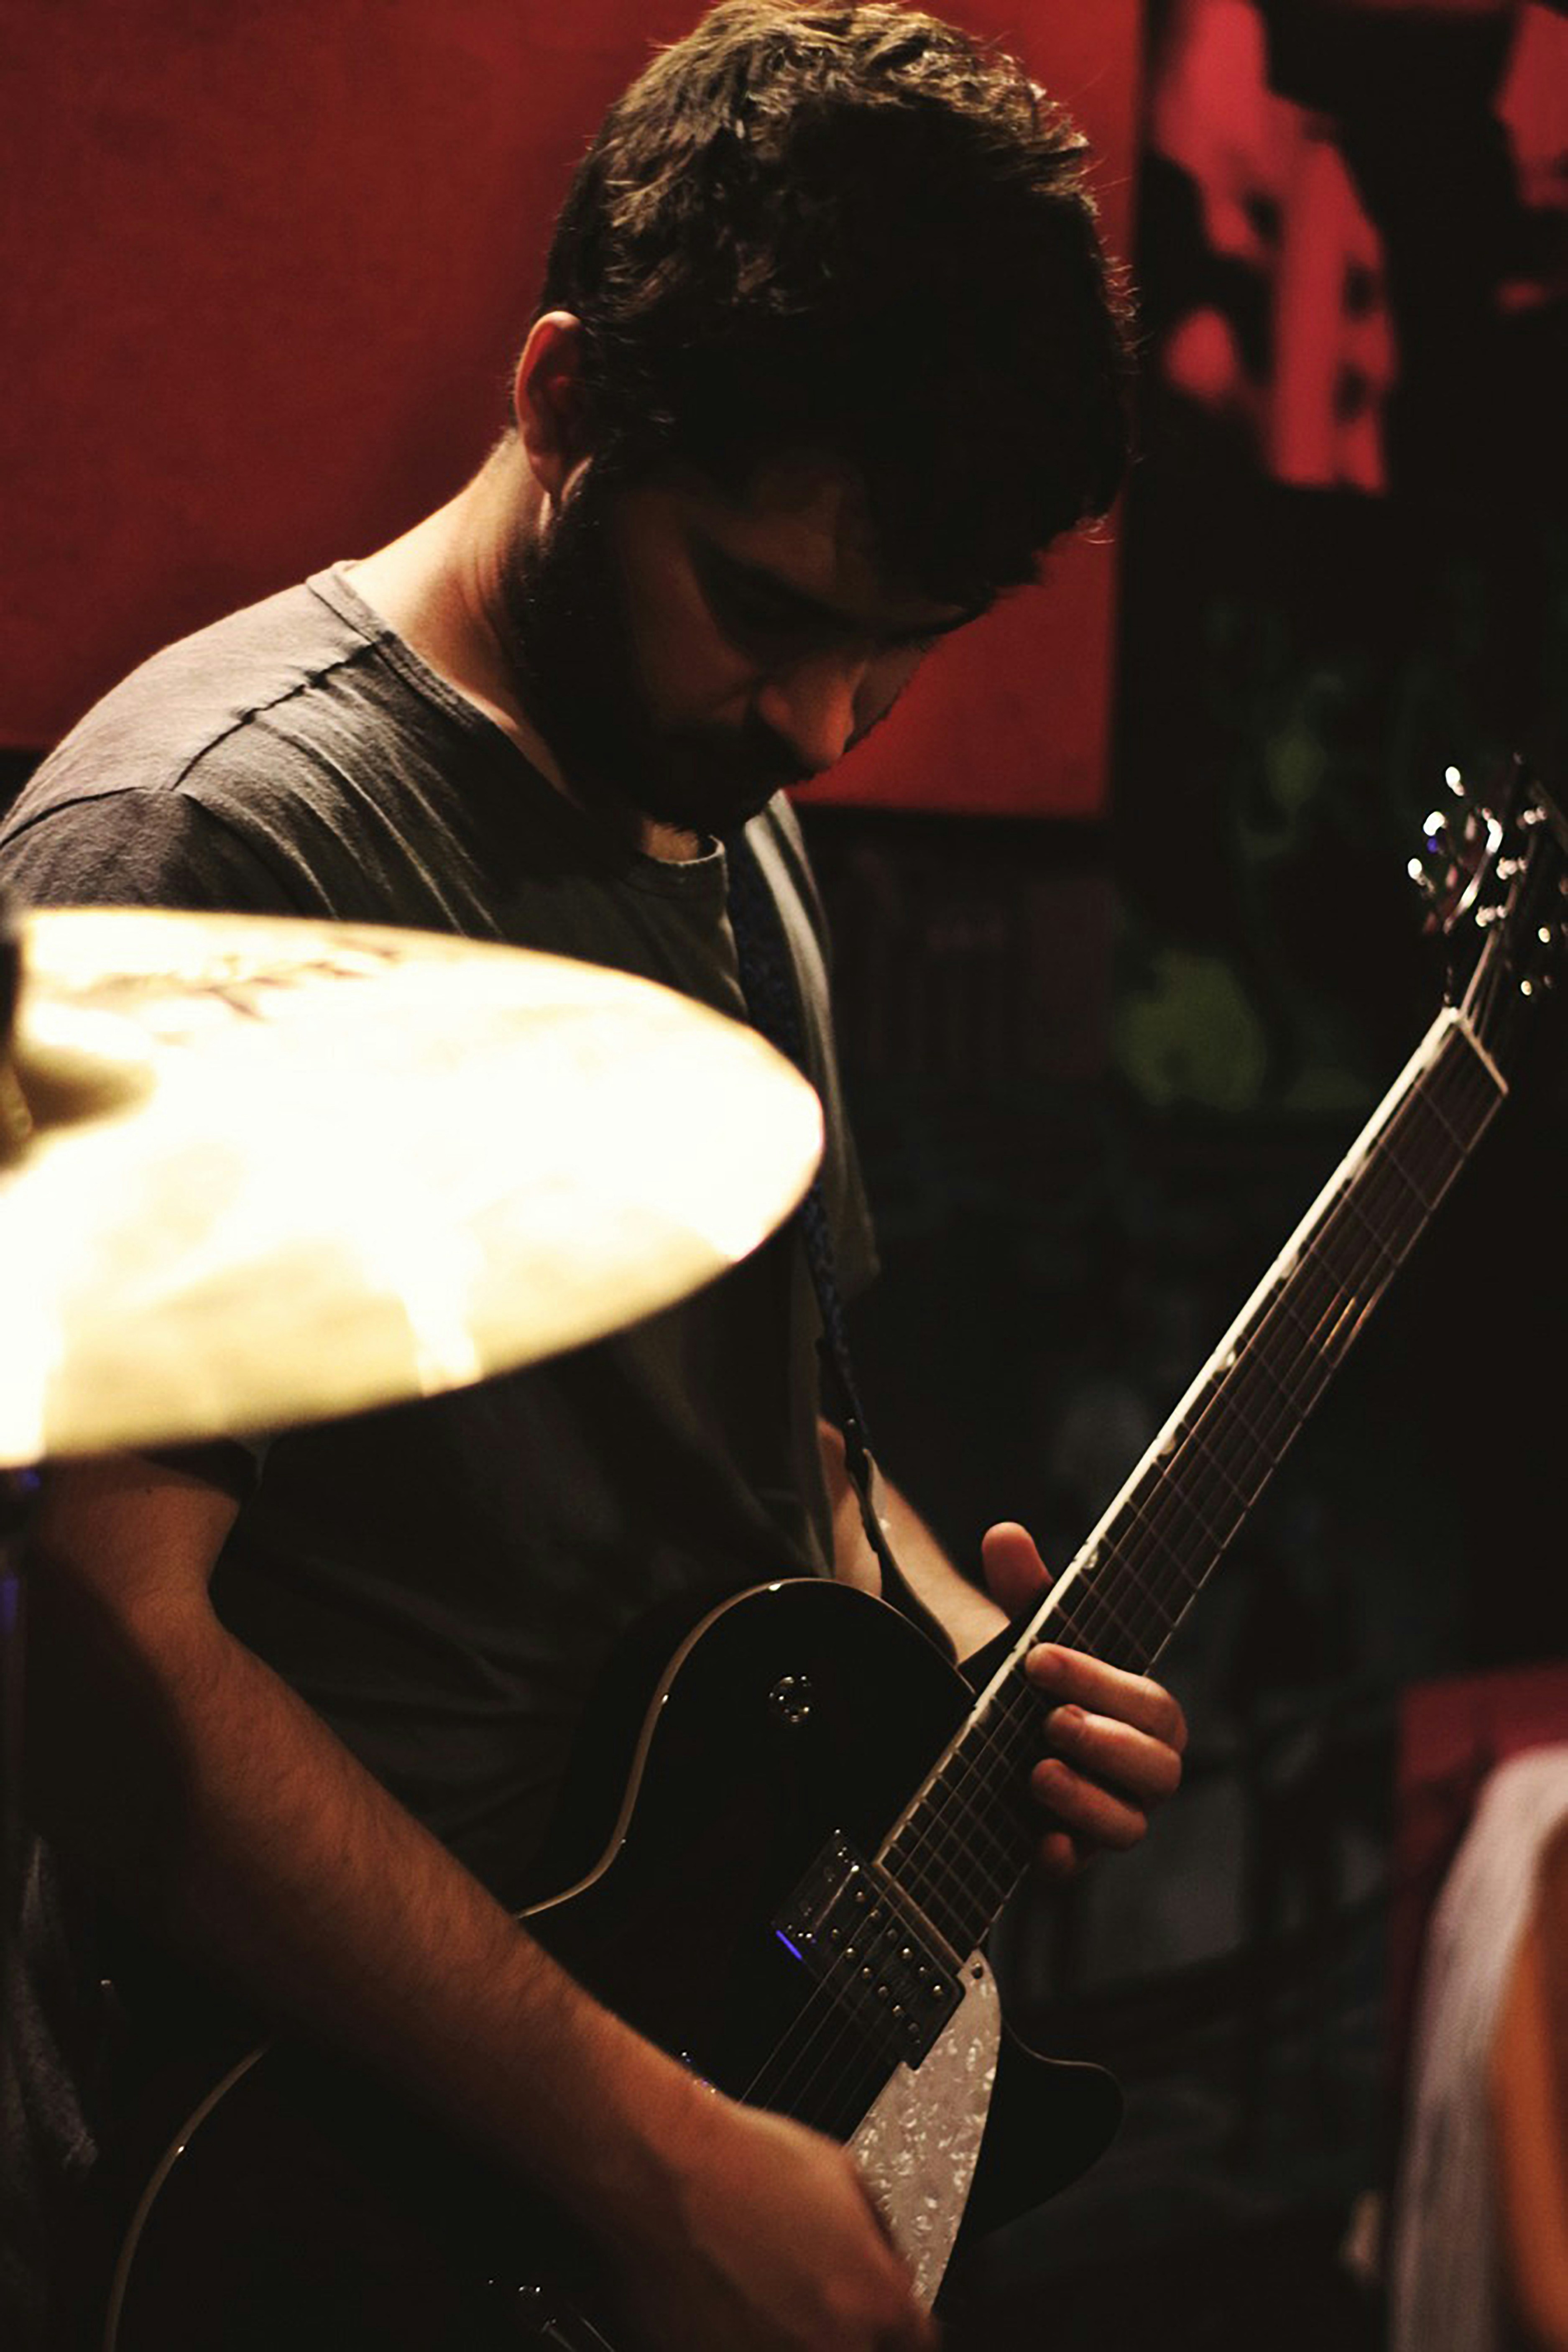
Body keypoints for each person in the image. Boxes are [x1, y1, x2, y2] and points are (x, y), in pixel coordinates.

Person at [0, 5, 1188, 2346]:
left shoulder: (731, 829)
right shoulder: (211, 850)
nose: (822, 729)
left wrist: (960, 1651)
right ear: (560, 399)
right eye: (762, 606)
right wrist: (649, 2165)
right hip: (282, 2209)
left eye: (904, 651)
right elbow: (98, 1659)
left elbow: (774, 1442)